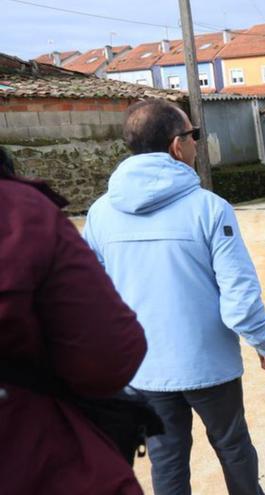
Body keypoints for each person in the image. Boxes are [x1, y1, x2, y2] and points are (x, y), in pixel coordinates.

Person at [83, 100, 265, 495]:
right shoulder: (209, 209)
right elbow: (239, 296)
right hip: (207, 362)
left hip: (144, 368)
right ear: (178, 146)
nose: (197, 143)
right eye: (194, 135)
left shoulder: (100, 214)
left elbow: (93, 294)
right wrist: (264, 343)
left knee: (167, 457)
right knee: (232, 445)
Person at [0, 147, 148, 494]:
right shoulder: (21, 213)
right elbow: (110, 357)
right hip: (35, 457)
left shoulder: (99, 211)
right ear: (177, 144)